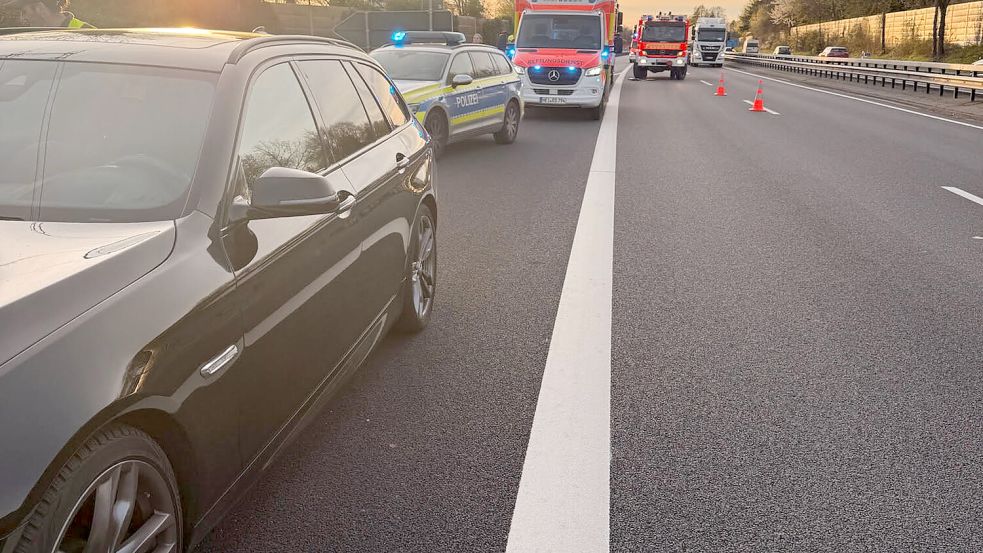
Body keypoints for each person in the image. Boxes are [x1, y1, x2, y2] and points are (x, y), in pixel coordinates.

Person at [0, 0, 93, 28]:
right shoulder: (34, 37)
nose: (22, 18)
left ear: (38, 8)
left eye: (24, 12)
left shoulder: (88, 33)